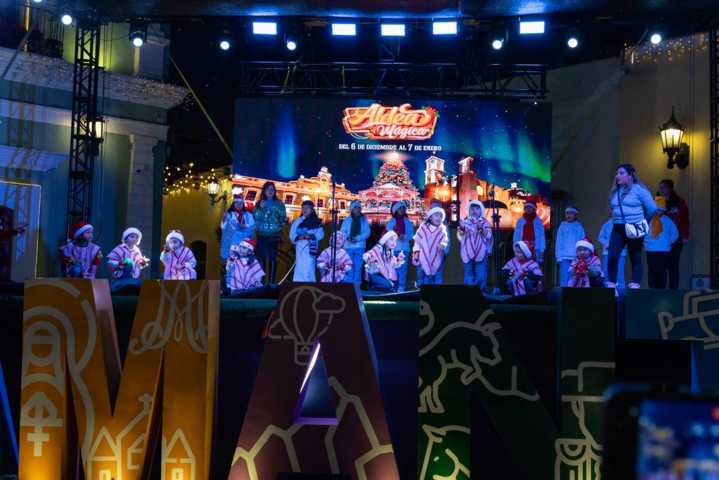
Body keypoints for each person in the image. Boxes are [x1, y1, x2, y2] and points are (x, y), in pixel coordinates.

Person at [607, 164, 657, 292]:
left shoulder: (640, 190)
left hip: (634, 227)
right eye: (617, 173)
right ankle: (612, 287)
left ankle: (634, 286)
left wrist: (643, 222)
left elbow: (652, 209)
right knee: (612, 256)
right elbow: (612, 208)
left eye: (621, 173)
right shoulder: (616, 191)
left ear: (630, 175)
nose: (617, 175)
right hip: (618, 228)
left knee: (635, 257)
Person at [253, 181, 287, 283]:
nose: (270, 191)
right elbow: (256, 217)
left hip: (274, 235)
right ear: (264, 191)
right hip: (262, 235)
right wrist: (260, 208)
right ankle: (262, 283)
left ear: (275, 191)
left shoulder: (279, 204)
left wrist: (277, 227)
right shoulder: (259, 203)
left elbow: (283, 219)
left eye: (272, 189)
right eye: (268, 189)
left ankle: (271, 283)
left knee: (273, 258)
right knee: (262, 258)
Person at [659, 179, 690, 289]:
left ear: (670, 188)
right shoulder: (658, 201)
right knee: (661, 266)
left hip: (676, 238)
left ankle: (673, 290)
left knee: (673, 265)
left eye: (663, 187)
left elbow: (685, 219)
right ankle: (661, 290)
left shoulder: (679, 202)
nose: (661, 190)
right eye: (660, 188)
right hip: (662, 238)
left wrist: (685, 235)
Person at [644, 197, 679, 289]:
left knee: (661, 271)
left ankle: (660, 290)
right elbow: (643, 233)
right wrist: (646, 243)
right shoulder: (649, 220)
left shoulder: (667, 221)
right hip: (651, 250)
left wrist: (668, 243)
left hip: (662, 250)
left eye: (660, 210)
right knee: (653, 271)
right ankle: (653, 289)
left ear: (663, 211)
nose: (658, 212)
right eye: (656, 209)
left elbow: (675, 234)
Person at [457, 200, 493, 290]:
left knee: (481, 275)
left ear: (481, 210)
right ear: (469, 210)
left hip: (481, 252)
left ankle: (481, 292)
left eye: (477, 209)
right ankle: (470, 293)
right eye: (472, 209)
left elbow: (489, 236)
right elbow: (459, 236)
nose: (474, 211)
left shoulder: (485, 222)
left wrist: (482, 228)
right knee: (468, 275)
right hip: (467, 252)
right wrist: (462, 228)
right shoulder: (465, 222)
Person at [412, 206, 449, 286]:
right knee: (421, 275)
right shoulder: (423, 228)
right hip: (422, 256)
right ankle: (420, 288)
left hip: (436, 256)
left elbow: (445, 241)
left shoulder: (442, 230)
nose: (439, 218)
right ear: (430, 217)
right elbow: (417, 242)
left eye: (441, 216)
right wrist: (416, 252)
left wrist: (443, 245)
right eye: (436, 215)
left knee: (436, 276)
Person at [289, 200, 324, 282]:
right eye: (303, 208)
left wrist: (311, 236)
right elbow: (292, 235)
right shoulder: (298, 221)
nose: (304, 210)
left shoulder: (316, 222)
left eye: (307, 208)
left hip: (311, 248)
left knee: (309, 267)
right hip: (300, 248)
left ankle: (309, 286)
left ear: (312, 210)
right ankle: (298, 285)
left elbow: (320, 234)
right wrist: (300, 237)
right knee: (300, 267)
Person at [385, 200, 415, 291]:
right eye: (399, 208)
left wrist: (405, 237)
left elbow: (411, 234)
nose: (401, 210)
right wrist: (396, 236)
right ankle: (394, 286)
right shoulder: (392, 221)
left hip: (404, 249)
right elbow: (388, 233)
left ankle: (401, 286)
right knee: (393, 268)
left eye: (403, 208)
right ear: (395, 210)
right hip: (394, 248)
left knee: (403, 269)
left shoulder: (407, 221)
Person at [340, 200, 371, 284]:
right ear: (352, 209)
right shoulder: (347, 220)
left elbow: (367, 232)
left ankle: (357, 284)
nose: (357, 210)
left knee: (358, 266)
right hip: (348, 246)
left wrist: (357, 238)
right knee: (349, 265)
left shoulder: (364, 220)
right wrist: (348, 237)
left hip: (359, 246)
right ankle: (349, 283)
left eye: (359, 208)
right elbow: (342, 232)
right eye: (355, 208)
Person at [220, 193, 256, 263]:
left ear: (243, 204)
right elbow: (223, 228)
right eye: (236, 203)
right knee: (231, 264)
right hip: (232, 243)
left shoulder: (249, 215)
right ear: (233, 203)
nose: (239, 205)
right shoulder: (229, 214)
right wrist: (224, 219)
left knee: (243, 265)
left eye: (240, 203)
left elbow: (252, 228)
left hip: (245, 245)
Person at [555, 206, 586, 287]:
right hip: (564, 257)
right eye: (567, 213)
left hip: (575, 257)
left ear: (575, 215)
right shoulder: (562, 226)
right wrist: (559, 256)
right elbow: (559, 242)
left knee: (574, 277)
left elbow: (582, 241)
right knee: (564, 277)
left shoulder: (579, 227)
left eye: (571, 214)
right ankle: (564, 293)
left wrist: (581, 256)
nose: (569, 215)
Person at [598, 217, 626, 290]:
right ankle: (607, 292)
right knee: (607, 272)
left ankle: (621, 293)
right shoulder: (606, 224)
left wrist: (621, 245)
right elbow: (600, 237)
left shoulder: (625, 222)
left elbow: (628, 236)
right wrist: (608, 244)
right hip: (607, 253)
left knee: (620, 273)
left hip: (621, 253)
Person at [428, 199, 450, 282]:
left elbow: (447, 239)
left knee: (438, 274)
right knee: (429, 274)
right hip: (429, 253)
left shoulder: (443, 224)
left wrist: (445, 250)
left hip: (439, 253)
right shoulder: (426, 224)